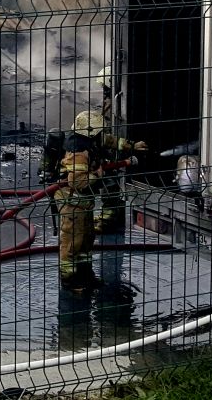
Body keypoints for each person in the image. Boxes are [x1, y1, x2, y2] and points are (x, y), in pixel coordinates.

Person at [54, 106, 146, 291]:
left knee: (87, 239)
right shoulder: (77, 152)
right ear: (91, 132)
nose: (101, 135)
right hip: (72, 203)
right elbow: (78, 183)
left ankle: (86, 275)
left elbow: (110, 141)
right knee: (72, 243)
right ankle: (69, 281)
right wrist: (98, 174)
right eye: (98, 131)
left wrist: (132, 145)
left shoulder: (90, 140)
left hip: (83, 202)